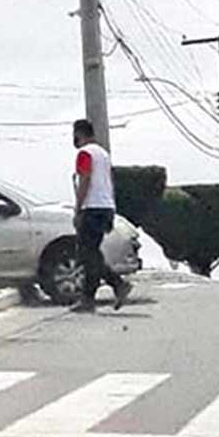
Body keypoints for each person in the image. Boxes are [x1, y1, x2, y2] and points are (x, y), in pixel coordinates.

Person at [71, 119, 132, 313]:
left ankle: (117, 284)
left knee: (87, 253)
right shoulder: (103, 154)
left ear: (79, 134)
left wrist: (78, 208)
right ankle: (88, 299)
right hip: (106, 206)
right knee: (92, 253)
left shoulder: (85, 153)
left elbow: (85, 179)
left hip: (92, 207)